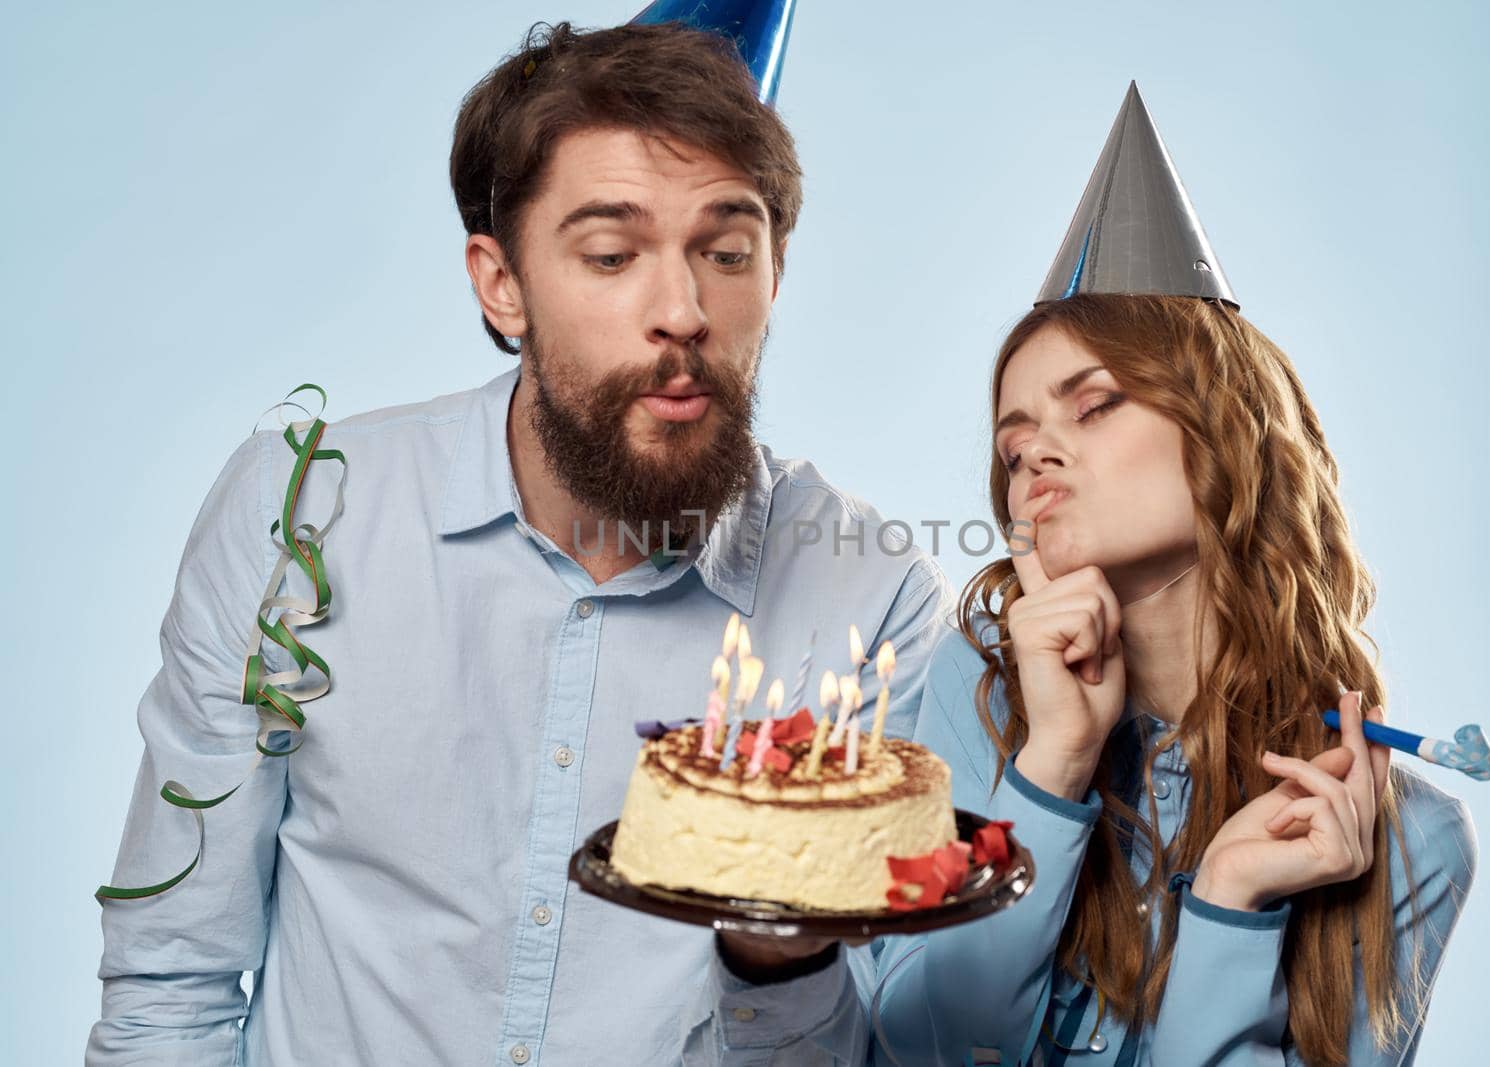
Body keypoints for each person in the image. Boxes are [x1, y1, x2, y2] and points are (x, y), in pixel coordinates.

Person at [88, 11, 950, 1065]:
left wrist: (779, 962)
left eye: (726, 250)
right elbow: (169, 983)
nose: (681, 309)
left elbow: (862, 1042)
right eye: (610, 253)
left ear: (774, 274)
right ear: (502, 285)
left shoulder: (873, 597)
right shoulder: (301, 513)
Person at [868, 85, 1477, 1066]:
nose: (1036, 458)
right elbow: (914, 1047)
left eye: (1096, 404)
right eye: (1014, 444)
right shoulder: (974, 691)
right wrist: (1054, 767)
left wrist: (1233, 906)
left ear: (1223, 432)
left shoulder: (1409, 839)